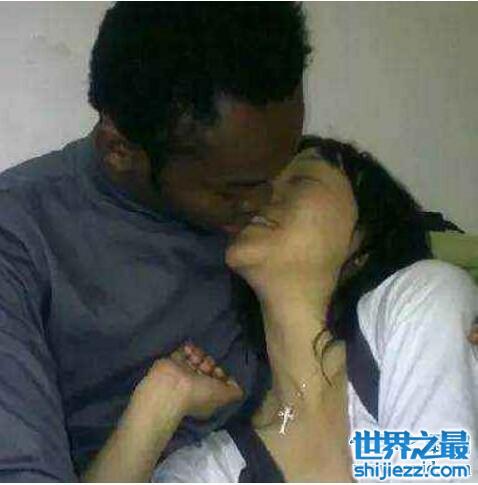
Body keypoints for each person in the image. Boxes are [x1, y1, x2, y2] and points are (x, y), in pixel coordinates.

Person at [0, 3, 310, 480]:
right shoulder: (19, 238)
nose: (268, 202)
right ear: (120, 150)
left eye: (282, 169)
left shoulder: (273, 195)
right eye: (233, 189)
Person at [81, 137, 477, 482]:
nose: (262, 198)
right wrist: (158, 401)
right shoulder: (219, 468)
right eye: (261, 184)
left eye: (301, 181)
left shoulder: (415, 304)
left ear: (365, 241)